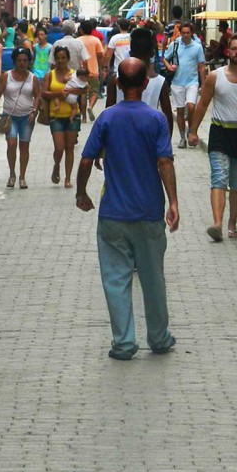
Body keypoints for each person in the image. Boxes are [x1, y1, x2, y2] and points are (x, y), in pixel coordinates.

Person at [75, 58, 179, 360]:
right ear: (145, 83)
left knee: (116, 280)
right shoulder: (156, 120)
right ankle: (159, 338)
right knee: (153, 277)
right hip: (149, 212)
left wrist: (81, 193)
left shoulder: (106, 119)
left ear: (117, 84)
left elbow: (85, 160)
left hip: (113, 214)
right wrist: (173, 201)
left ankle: (124, 343)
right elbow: (164, 162)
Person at [187, 33, 237, 242]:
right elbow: (203, 103)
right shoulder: (216, 76)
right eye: (234, 49)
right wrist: (193, 130)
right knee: (219, 178)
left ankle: (232, 223)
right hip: (220, 132)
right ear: (228, 51)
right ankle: (217, 223)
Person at [0, 46, 42, 190]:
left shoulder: (33, 78)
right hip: (10, 116)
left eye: (24, 60)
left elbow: (38, 96)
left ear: (29, 62)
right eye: (19, 60)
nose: (22, 63)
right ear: (14, 61)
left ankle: (22, 176)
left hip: (26, 117)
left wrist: (34, 112)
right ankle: (12, 174)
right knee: (11, 144)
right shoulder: (7, 76)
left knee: (24, 146)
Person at [42, 46, 86, 188]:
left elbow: (84, 89)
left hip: (73, 115)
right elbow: (44, 93)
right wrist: (58, 94)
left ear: (68, 59)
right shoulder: (50, 75)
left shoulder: (74, 74)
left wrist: (71, 91)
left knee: (70, 148)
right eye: (58, 58)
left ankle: (68, 178)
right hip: (56, 116)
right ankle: (56, 164)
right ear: (55, 59)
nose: (61, 61)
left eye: (63, 58)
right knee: (59, 147)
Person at [163, 21, 207, 149]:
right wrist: (169, 67)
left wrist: (203, 84)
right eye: (183, 33)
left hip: (192, 82)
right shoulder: (175, 45)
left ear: (191, 33)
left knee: (191, 107)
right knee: (180, 111)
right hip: (177, 83)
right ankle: (183, 137)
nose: (185, 35)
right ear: (180, 33)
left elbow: (201, 66)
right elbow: (165, 58)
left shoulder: (197, 47)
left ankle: (191, 130)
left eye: (188, 33)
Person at [130, 27, 174, 139]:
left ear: (130, 52)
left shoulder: (115, 80)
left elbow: (108, 114)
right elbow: (168, 118)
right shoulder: (160, 82)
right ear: (152, 53)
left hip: (121, 143)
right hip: (149, 140)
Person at [77, 19, 106, 120]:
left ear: (81, 30)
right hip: (93, 70)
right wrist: (103, 68)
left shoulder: (78, 40)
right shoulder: (96, 40)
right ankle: (90, 106)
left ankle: (84, 117)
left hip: (80, 71)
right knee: (94, 92)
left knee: (83, 93)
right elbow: (100, 56)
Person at [105, 19, 133, 107]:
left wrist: (107, 67)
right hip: (133, 68)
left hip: (118, 70)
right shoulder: (132, 37)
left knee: (118, 94)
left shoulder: (114, 38)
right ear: (129, 27)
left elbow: (109, 55)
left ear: (119, 26)